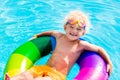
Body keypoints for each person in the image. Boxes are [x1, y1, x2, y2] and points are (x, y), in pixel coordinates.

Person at [5, 10, 112, 80]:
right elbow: (50, 32)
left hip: (57, 76)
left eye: (78, 29)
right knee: (26, 75)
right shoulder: (58, 36)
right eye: (71, 27)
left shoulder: (81, 45)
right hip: (43, 68)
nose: (74, 31)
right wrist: (38, 35)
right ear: (65, 27)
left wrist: (108, 62)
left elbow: (99, 49)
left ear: (83, 33)